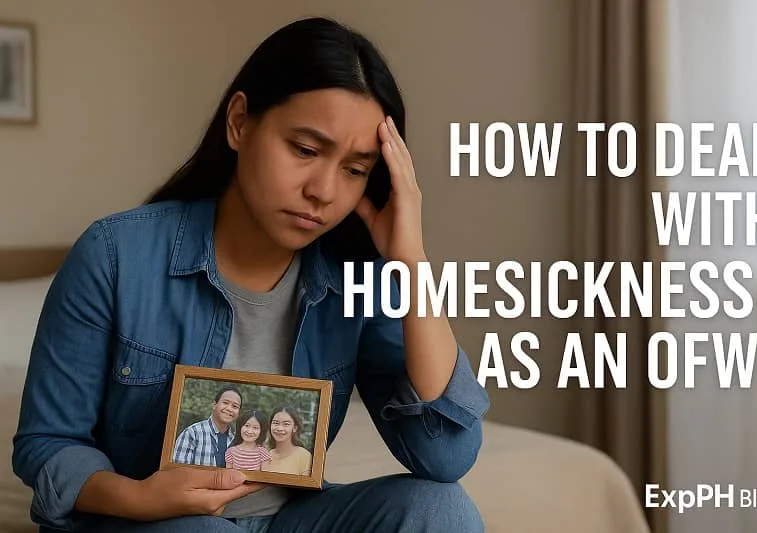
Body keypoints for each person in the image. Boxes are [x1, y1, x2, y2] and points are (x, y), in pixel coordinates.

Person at [12, 16, 489, 533]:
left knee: (443, 510)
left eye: (355, 169)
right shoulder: (114, 254)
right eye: (306, 150)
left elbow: (445, 456)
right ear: (240, 122)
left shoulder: (356, 278)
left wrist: (411, 264)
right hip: (150, 523)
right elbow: (47, 443)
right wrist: (139, 497)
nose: (324, 191)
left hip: (290, 518)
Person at [173, 387, 243, 467]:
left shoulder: (236, 441)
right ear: (214, 405)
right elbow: (178, 471)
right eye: (225, 403)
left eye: (235, 406)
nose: (229, 409)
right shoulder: (193, 433)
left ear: (238, 413)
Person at [262, 407, 312, 476]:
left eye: (286, 424)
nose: (280, 428)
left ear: (294, 428)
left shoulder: (304, 456)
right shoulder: (266, 456)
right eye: (276, 423)